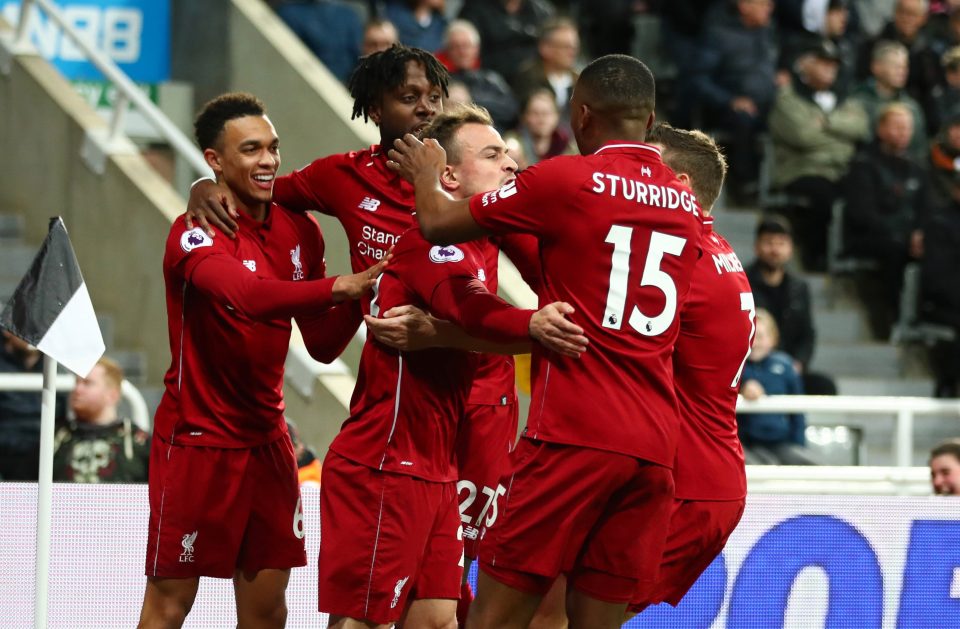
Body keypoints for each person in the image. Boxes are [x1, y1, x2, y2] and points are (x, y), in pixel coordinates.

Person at [388, 54, 704, 628]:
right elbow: (562, 266)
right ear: (651, 118)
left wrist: (426, 174)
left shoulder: (565, 178)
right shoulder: (685, 207)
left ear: (580, 115)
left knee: (496, 620)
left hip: (575, 434)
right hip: (656, 448)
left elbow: (437, 224)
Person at [319, 104, 586, 628]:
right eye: (492, 155)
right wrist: (532, 325)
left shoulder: (485, 240)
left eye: (509, 154)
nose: (511, 165)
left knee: (438, 618)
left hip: (439, 470)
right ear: (447, 175)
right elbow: (467, 308)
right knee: (364, 621)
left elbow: (467, 324)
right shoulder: (429, 242)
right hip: (385, 463)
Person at [138, 93, 383, 629]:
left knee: (269, 612)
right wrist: (342, 285)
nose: (269, 160)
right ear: (215, 160)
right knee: (169, 604)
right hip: (197, 441)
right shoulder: (194, 230)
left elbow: (319, 344)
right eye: (251, 149)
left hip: (270, 447)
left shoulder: (301, 230)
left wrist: (367, 291)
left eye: (273, 147)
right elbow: (247, 295)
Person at [769, 38, 869, 271]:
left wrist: (826, 122)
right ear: (804, 64)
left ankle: (850, 253)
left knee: (864, 191)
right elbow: (803, 136)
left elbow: (862, 127)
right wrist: (842, 138)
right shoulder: (788, 98)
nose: (830, 69)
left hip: (840, 170)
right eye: (823, 63)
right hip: (802, 170)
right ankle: (815, 257)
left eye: (833, 64)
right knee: (824, 195)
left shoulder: (845, 98)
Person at [844, 102, 931, 339]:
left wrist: (921, 233)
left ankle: (930, 314)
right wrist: (906, 236)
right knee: (895, 248)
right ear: (881, 129)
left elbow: (926, 209)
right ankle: (889, 315)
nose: (903, 133)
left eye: (907, 128)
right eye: (897, 127)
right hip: (868, 237)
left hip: (907, 238)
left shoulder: (917, 168)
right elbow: (863, 214)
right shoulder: (863, 164)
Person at [692, 0, 779, 203]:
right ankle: (743, 186)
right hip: (728, 108)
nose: (770, 8)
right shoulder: (718, 35)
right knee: (743, 118)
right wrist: (729, 100)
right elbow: (698, 79)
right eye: (763, 4)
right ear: (744, 6)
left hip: (769, 104)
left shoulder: (768, 32)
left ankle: (783, 185)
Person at [745, 215, 837, 395]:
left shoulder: (799, 287)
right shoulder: (742, 281)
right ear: (757, 246)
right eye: (769, 242)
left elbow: (807, 334)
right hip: (752, 369)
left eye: (781, 243)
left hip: (790, 369)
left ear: (791, 249)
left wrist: (798, 363)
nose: (775, 249)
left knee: (824, 386)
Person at [738, 308, 817, 465]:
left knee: (812, 467)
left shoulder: (785, 365)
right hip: (747, 444)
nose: (754, 343)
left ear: (773, 338)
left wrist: (798, 444)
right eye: (750, 335)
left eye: (759, 336)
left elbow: (798, 411)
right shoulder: (736, 366)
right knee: (760, 469)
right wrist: (742, 388)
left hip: (782, 443)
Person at [52, 357, 150, 483]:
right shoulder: (54, 439)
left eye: (87, 383)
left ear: (112, 395)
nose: (77, 389)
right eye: (77, 382)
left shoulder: (138, 442)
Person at [0, 329, 66, 481]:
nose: (34, 333)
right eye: (27, 326)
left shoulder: (57, 366)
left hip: (48, 453)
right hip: (6, 453)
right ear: (7, 331)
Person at [851, 40, 929, 161]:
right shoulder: (857, 102)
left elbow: (919, 151)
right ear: (876, 67)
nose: (902, 72)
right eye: (895, 66)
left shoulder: (912, 107)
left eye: (904, 66)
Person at [435, 19, 519, 130]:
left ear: (476, 49)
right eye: (456, 46)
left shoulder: (491, 79)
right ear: (447, 50)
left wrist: (469, 101)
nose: (462, 52)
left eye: (466, 46)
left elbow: (511, 110)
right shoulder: (439, 81)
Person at [509, 17, 581, 132]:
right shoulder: (528, 78)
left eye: (574, 47)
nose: (572, 52)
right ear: (545, 48)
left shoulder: (581, 81)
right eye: (566, 46)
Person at [274, 0, 363, 83]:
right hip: (306, 84)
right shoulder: (289, 14)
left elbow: (358, 57)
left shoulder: (349, 16)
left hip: (344, 88)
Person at [503, 88, 576, 168]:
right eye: (535, 113)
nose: (541, 119)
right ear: (524, 117)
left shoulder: (569, 147)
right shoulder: (511, 144)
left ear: (557, 116)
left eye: (546, 113)